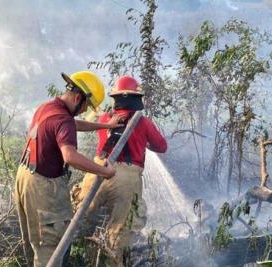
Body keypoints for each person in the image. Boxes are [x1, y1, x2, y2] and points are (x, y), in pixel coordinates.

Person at [14, 71, 123, 267]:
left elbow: (73, 124)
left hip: (25, 177)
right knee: (51, 246)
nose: (84, 110)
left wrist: (104, 125)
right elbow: (70, 156)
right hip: (43, 187)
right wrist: (105, 172)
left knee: (35, 242)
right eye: (85, 106)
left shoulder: (49, 107)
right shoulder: (62, 119)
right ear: (78, 97)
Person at [73, 75, 167, 266]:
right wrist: (145, 141)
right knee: (119, 237)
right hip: (126, 179)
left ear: (115, 98)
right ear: (136, 97)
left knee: (76, 219)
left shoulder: (106, 119)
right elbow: (162, 147)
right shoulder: (143, 122)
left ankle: (70, 254)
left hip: (97, 171)